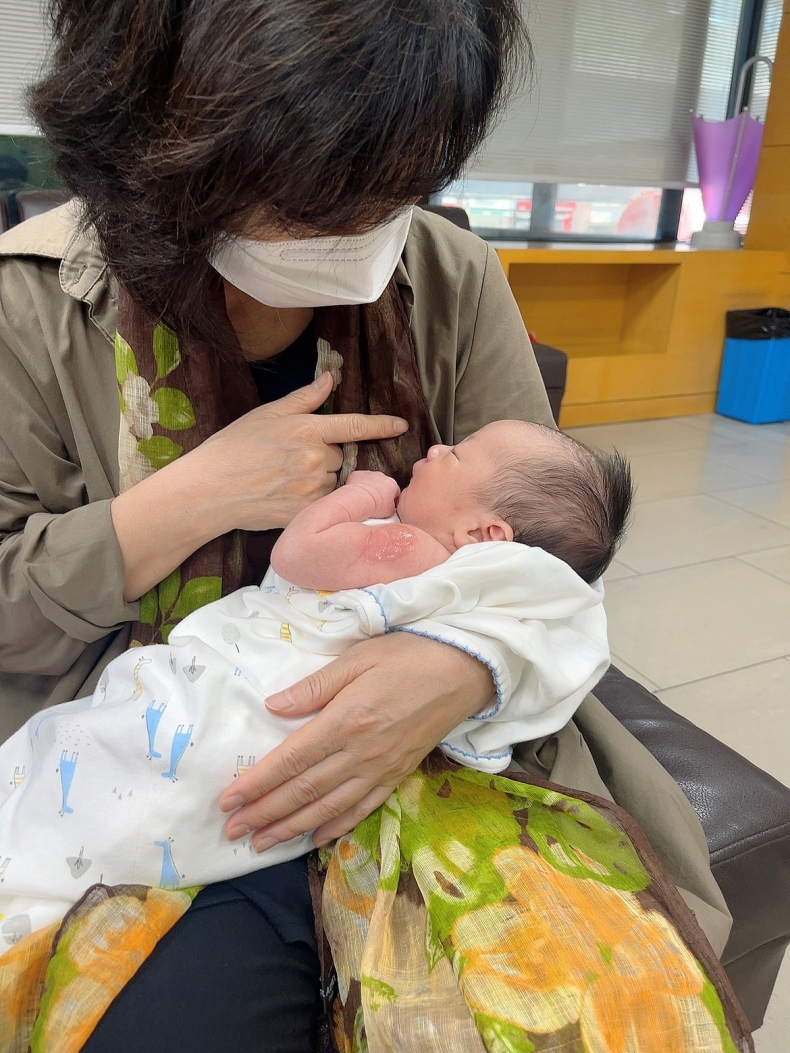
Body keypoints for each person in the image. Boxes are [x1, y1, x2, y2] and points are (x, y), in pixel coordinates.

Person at [0, 1, 730, 1049]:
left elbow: (554, 555)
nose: (365, 231)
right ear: (167, 148)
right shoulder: (29, 308)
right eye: (313, 197)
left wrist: (459, 670)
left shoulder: (451, 277)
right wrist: (183, 502)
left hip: (437, 746)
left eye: (396, 185)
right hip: (172, 755)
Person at [0, 420, 628, 945]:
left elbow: (299, 554)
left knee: (92, 757)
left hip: (247, 708)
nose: (436, 448)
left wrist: (361, 494)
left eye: (456, 456)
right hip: (294, 742)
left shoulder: (414, 550)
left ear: (484, 535)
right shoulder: (500, 596)